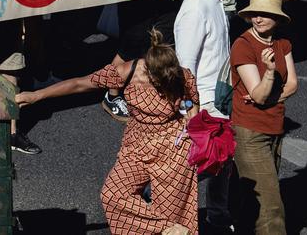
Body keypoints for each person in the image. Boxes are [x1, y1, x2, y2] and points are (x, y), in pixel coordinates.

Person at [16, 29, 198, 233]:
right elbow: (79, 84)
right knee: (113, 195)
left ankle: (172, 226)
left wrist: (192, 117)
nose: (163, 86)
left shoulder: (180, 75)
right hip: (136, 145)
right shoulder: (128, 71)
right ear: (148, 70)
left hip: (172, 149)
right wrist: (36, 96)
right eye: (158, 82)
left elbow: (192, 99)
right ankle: (172, 228)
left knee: (170, 210)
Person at [174, 0, 241, 232]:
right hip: (204, 100)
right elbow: (184, 64)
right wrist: (190, 105)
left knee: (222, 159)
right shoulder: (196, 7)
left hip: (219, 97)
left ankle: (217, 214)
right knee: (205, 161)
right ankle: (154, 197)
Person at [231, 0, 297, 235]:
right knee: (270, 208)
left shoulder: (282, 43)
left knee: (253, 202)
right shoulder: (243, 45)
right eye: (254, 14)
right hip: (250, 132)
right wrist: (269, 72)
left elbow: (292, 84)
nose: (258, 18)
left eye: (265, 14)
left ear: (277, 18)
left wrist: (269, 98)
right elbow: (258, 95)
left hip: (275, 126)